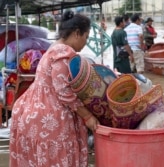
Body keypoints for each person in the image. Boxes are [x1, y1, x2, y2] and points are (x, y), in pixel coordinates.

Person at [9, 11, 100, 166]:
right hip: (49, 117)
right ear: (77, 33)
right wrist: (88, 116)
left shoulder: (53, 47)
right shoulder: (63, 52)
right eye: (86, 36)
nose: (85, 42)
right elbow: (64, 92)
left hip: (32, 109)